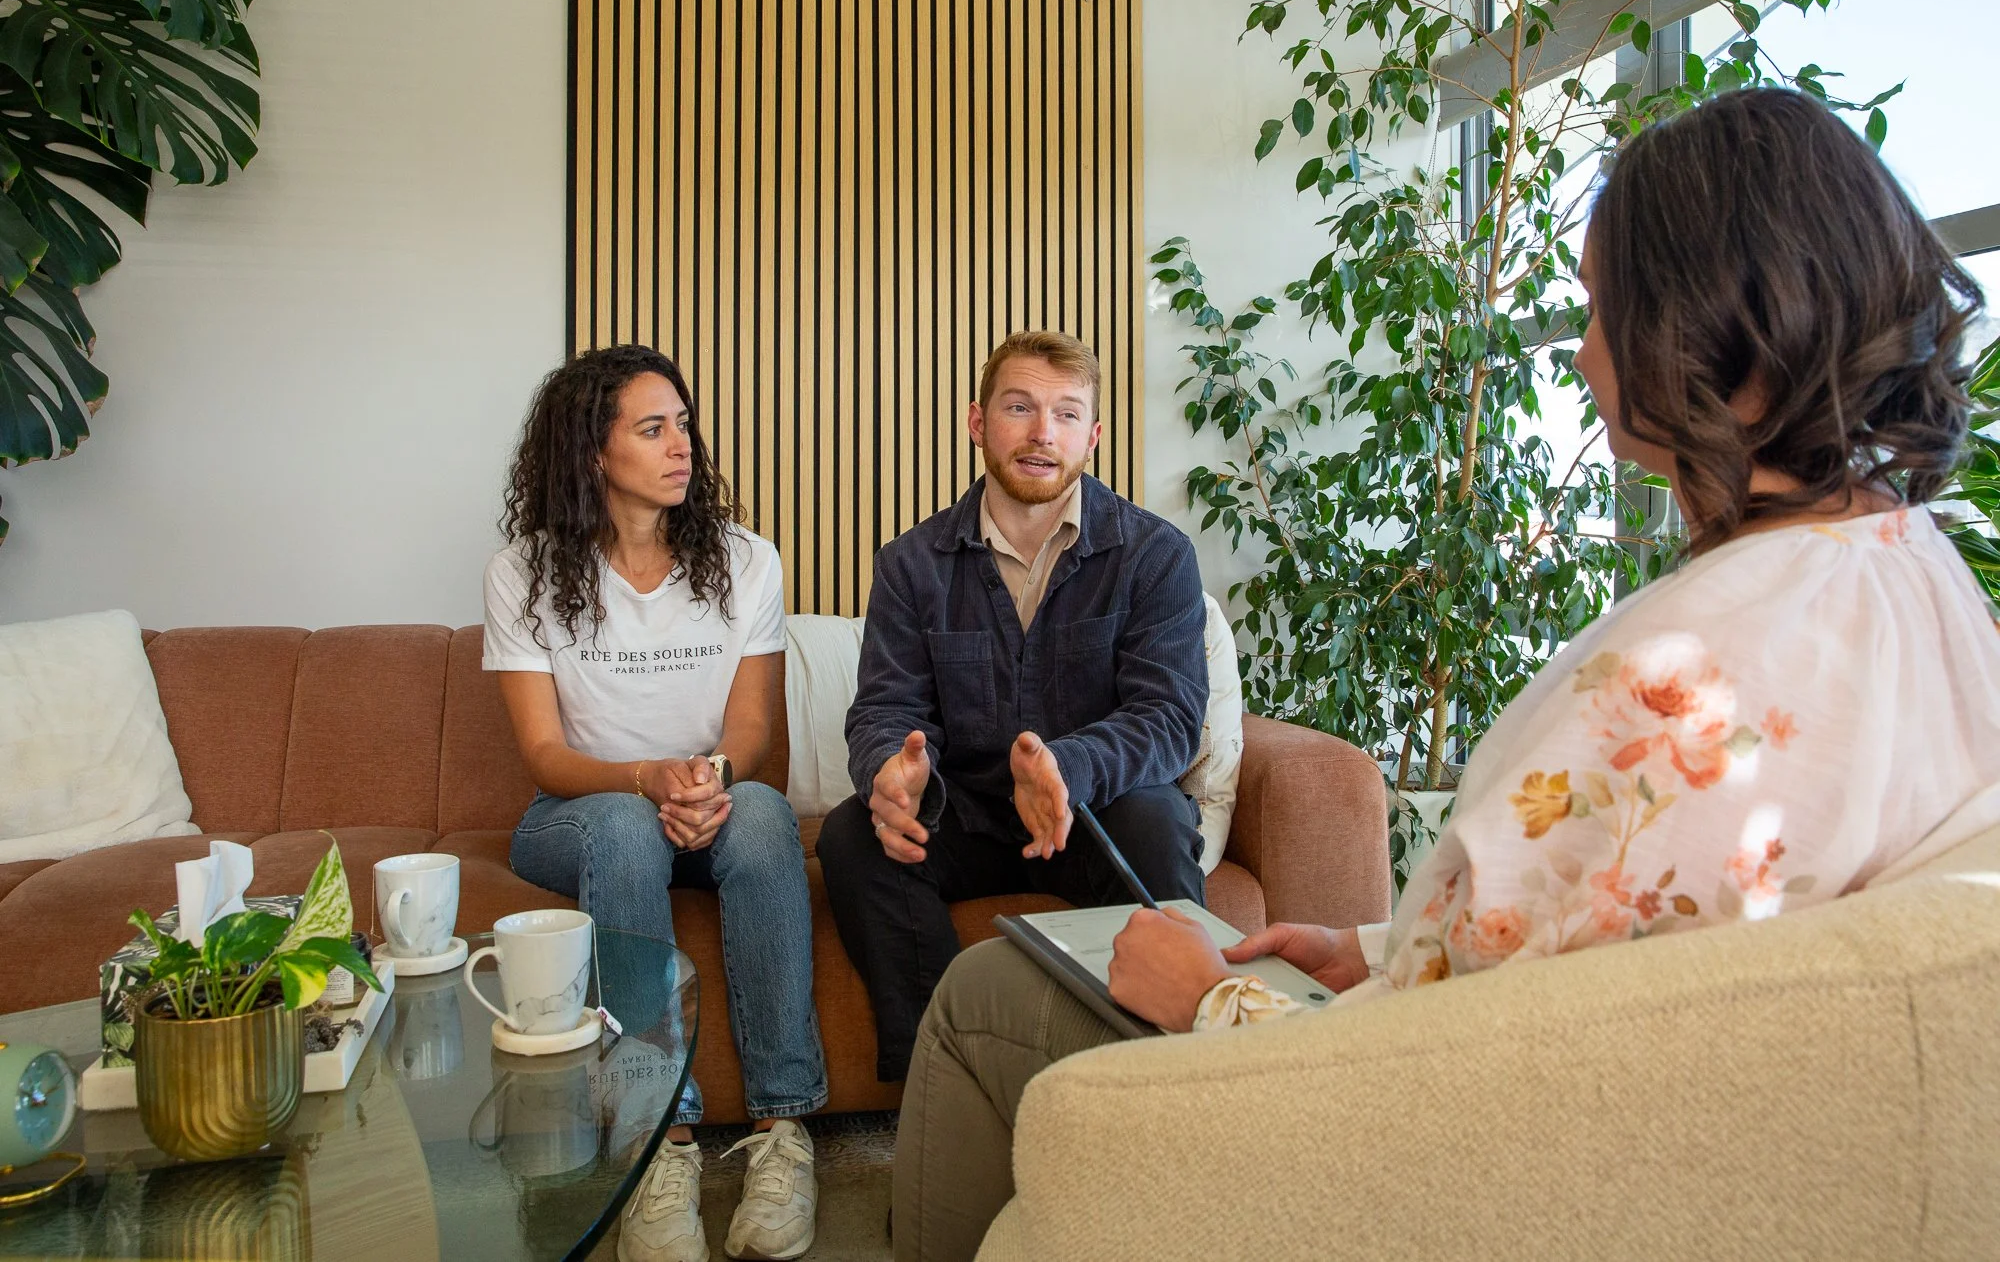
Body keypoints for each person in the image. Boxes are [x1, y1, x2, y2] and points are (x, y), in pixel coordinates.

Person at [888, 88, 2000, 1262]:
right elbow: (1592, 954)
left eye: (1597, 309)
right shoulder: (1921, 578)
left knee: (982, 998)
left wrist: (1210, 997)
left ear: (1723, 337)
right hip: (1487, 1053)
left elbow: (1452, 1087)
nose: (1579, 350)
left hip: (1402, 1131)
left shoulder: (1670, 684)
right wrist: (1373, 946)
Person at [484, 345, 826, 1262]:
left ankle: (784, 1129)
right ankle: (656, 1143)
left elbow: (752, 729)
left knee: (763, 813)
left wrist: (709, 777)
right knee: (627, 826)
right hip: (582, 816)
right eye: (652, 428)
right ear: (593, 452)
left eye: (683, 423)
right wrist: (647, 779)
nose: (683, 445)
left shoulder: (747, 560)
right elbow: (545, 755)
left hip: (710, 800)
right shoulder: (523, 572)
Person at [816, 329, 1212, 1084]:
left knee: (1158, 817)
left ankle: (1170, 1076)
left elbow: (1168, 718)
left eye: (1066, 414)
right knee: (854, 834)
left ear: (1093, 436)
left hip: (1093, 809)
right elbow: (885, 709)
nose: (1042, 434)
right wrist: (890, 771)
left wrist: (1066, 765)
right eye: (1020, 407)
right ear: (978, 422)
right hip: (964, 812)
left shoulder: (1155, 555)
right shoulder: (910, 564)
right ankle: (945, 1078)